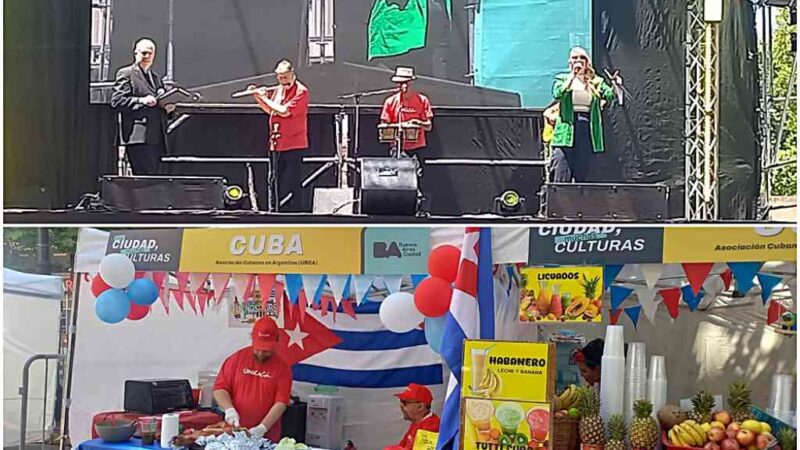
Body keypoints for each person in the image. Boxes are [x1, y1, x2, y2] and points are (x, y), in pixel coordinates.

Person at [213, 317, 291, 441]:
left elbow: (281, 402)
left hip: (267, 436)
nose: (260, 353)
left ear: (276, 341)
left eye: (266, 351)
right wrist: (229, 409)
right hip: (233, 433)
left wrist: (262, 428)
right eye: (258, 348)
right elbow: (220, 389)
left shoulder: (283, 368)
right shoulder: (236, 359)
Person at [549, 47, 619, 183]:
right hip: (568, 125)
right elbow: (557, 94)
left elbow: (609, 95)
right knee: (562, 162)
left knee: (583, 167)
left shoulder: (595, 81)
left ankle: (580, 199)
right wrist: (572, 77)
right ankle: (560, 197)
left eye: (582, 58)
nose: (578, 61)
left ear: (587, 62)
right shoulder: (562, 79)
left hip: (587, 125)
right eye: (575, 58)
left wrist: (615, 85)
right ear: (570, 62)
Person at [249, 60, 309, 212]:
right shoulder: (278, 90)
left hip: (294, 143)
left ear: (292, 75)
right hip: (276, 142)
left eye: (285, 77)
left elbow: (284, 111)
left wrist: (264, 98)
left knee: (293, 181)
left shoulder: (301, 91)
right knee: (274, 180)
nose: (283, 81)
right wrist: (257, 97)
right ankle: (274, 211)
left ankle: (296, 213)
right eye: (280, 78)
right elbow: (272, 110)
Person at [111, 38, 169, 175]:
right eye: (143, 53)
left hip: (156, 136)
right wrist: (141, 101)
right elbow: (117, 101)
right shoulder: (126, 73)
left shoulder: (156, 78)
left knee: (155, 177)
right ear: (135, 53)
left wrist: (167, 105)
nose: (147, 56)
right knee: (144, 177)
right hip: (138, 137)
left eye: (150, 53)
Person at [380, 67, 434, 211]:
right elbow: (384, 125)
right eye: (400, 83)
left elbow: (429, 126)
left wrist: (418, 123)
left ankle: (421, 209)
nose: (402, 86)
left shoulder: (422, 100)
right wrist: (400, 125)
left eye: (405, 83)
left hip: (418, 147)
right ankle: (397, 208)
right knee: (396, 178)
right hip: (397, 146)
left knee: (420, 178)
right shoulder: (390, 101)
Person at [385, 383, 440, 450]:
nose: (401, 406)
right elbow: (402, 446)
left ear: (420, 407)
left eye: (404, 402)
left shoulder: (432, 429)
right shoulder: (417, 421)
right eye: (401, 401)